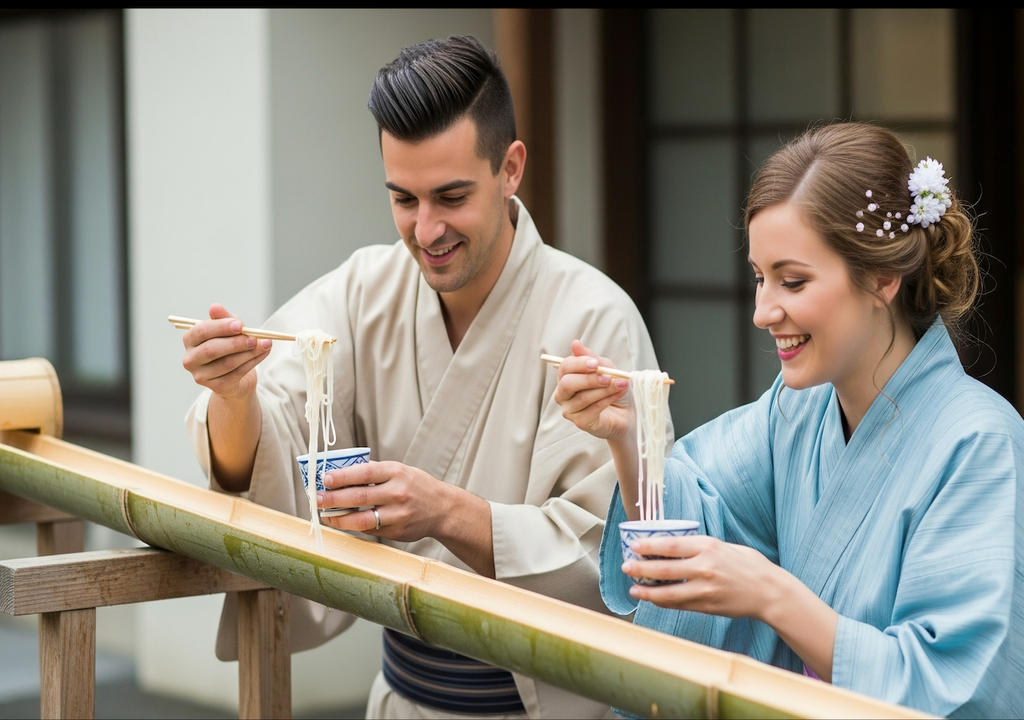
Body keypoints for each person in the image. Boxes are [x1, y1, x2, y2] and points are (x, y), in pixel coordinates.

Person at [181, 35, 667, 719]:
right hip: (403, 700)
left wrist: (448, 513)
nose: (427, 229)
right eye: (404, 199)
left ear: (511, 168)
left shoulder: (595, 318)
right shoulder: (362, 290)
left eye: (451, 196)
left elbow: (612, 551)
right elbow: (264, 444)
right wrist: (234, 396)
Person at [553, 122, 1024, 718]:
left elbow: (952, 687)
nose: (762, 311)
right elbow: (694, 526)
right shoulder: (794, 412)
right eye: (759, 277)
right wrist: (630, 439)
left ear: (882, 277)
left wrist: (773, 595)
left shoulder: (979, 445)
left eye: (792, 281)